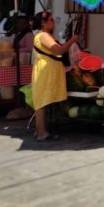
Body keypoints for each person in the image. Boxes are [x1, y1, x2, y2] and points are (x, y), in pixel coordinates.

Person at [31, 10, 78, 141]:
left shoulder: (44, 35)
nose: (54, 23)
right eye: (51, 20)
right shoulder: (43, 35)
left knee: (43, 101)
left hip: (47, 71)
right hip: (45, 72)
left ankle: (39, 130)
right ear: (43, 23)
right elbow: (58, 50)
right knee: (42, 102)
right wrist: (72, 41)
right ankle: (41, 133)